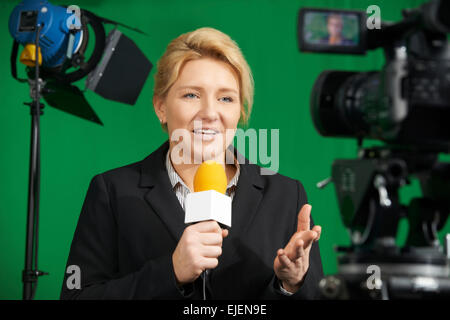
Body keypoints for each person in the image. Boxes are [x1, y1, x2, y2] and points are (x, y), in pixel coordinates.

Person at [60, 27, 323, 300]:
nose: (210, 113)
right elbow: (76, 297)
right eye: (191, 95)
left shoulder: (286, 195)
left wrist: (291, 284)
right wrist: (170, 272)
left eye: (226, 98)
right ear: (161, 106)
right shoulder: (111, 191)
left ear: (240, 111)